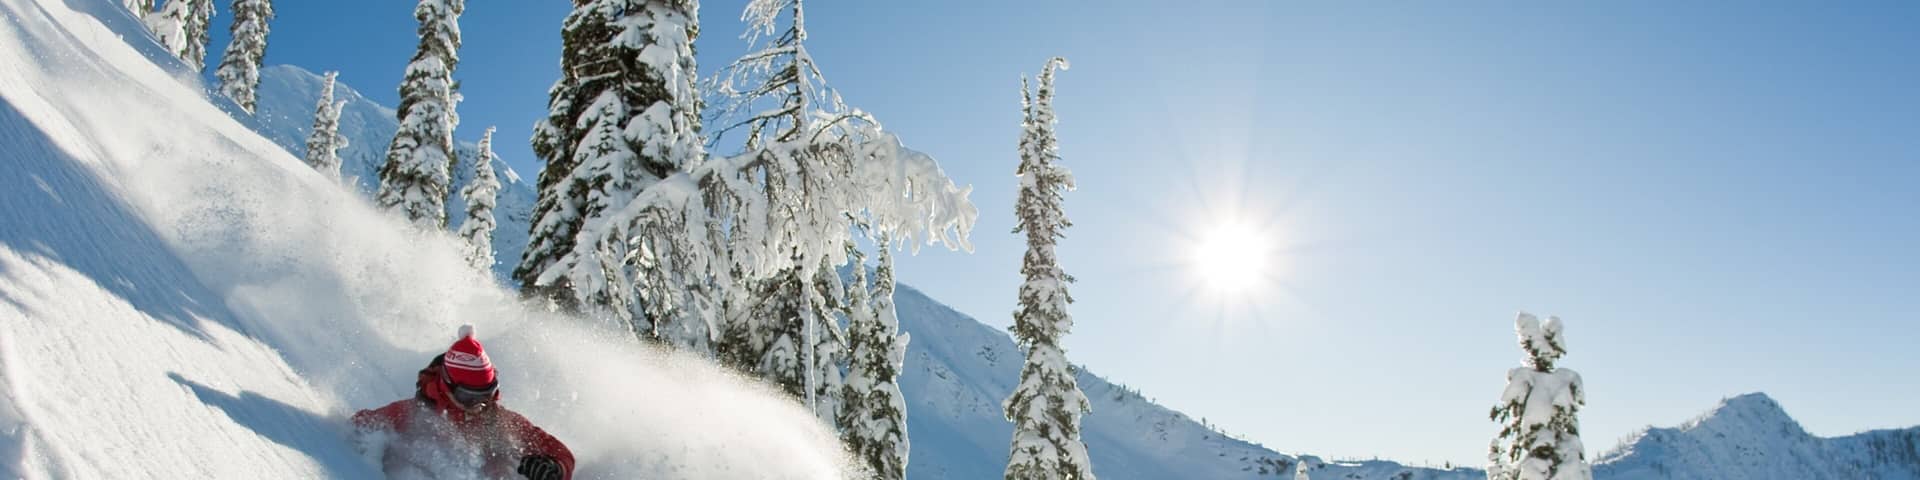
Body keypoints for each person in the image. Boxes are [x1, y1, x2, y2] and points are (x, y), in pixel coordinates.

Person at [353, 325, 575, 480]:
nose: (479, 405)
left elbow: (563, 455)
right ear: (446, 387)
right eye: (469, 397)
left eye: (487, 394)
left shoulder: (502, 423)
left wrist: (553, 470)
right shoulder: (411, 416)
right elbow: (358, 429)